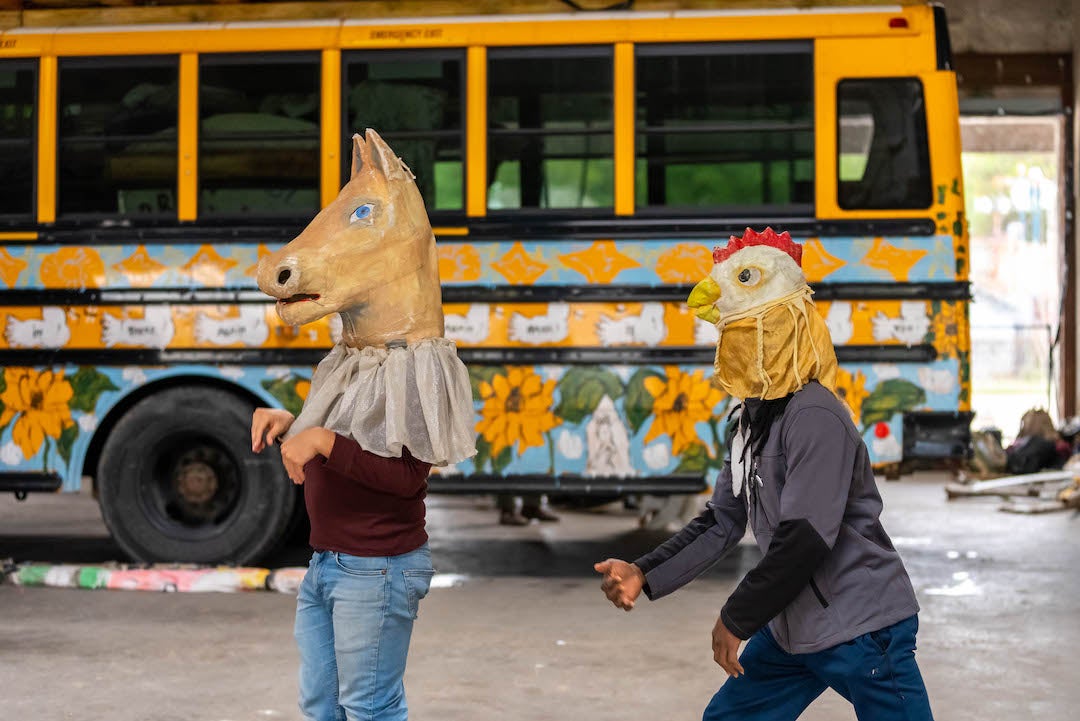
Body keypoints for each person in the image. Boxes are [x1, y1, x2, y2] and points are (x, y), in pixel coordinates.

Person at [594, 228, 934, 721]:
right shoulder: (748, 420)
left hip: (863, 628)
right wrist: (645, 570)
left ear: (781, 327)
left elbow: (805, 537)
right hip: (792, 627)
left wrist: (736, 618)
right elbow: (721, 521)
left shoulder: (815, 415)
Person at [252, 130, 477, 721]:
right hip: (329, 561)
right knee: (321, 704)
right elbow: (353, 430)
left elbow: (405, 476)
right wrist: (292, 421)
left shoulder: (417, 363)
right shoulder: (354, 359)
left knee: (369, 707)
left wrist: (320, 439)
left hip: (374, 570)